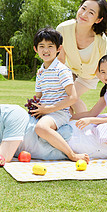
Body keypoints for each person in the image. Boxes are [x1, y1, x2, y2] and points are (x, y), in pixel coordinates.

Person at [30, 27, 89, 162]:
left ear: (59, 49)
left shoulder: (61, 70)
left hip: (59, 113)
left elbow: (73, 97)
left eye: (50, 46)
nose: (46, 50)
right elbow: (39, 96)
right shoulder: (40, 71)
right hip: (45, 111)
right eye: (42, 46)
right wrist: (35, 107)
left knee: (41, 128)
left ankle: (72, 155)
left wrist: (48, 109)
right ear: (35, 49)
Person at [56, 0, 107, 114]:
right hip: (69, 70)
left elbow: (101, 66)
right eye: (83, 8)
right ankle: (74, 128)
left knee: (69, 98)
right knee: (64, 102)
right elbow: (60, 59)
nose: (84, 14)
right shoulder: (62, 29)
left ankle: (85, 125)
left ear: (98, 20)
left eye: (91, 13)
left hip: (89, 76)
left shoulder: (101, 39)